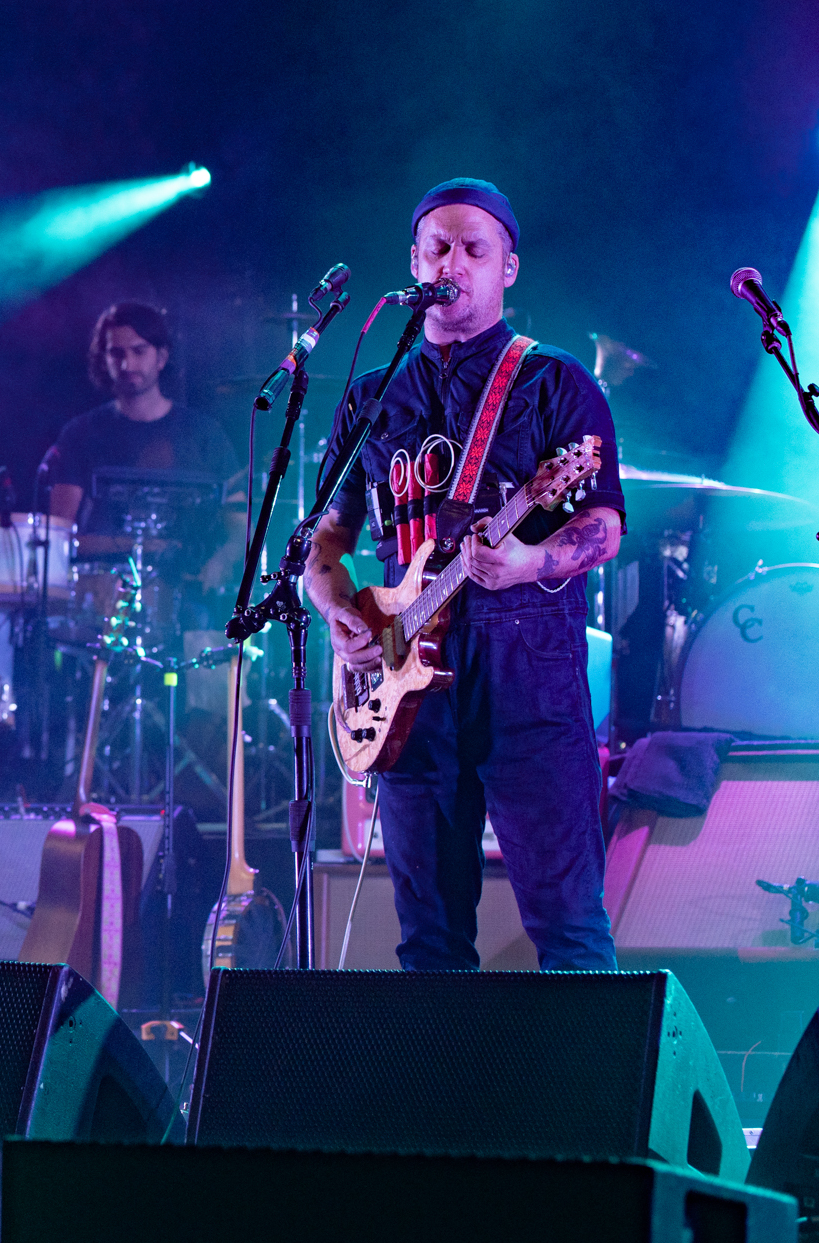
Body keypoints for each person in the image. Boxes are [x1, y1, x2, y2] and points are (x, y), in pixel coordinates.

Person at [303, 179, 623, 971]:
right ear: (414, 262)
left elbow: (604, 526)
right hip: (403, 676)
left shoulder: (555, 382)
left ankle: (588, 1057)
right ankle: (442, 1060)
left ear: (507, 267)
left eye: (474, 250)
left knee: (569, 929)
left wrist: (529, 562)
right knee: (431, 942)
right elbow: (324, 540)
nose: (453, 263)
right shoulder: (373, 397)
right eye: (438, 248)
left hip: (527, 666)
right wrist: (339, 610)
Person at [47, 301, 246, 594]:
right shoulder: (81, 434)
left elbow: (239, 521)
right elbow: (58, 533)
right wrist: (141, 546)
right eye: (116, 353)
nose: (127, 364)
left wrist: (223, 560)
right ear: (104, 359)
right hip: (102, 596)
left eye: (138, 351)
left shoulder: (204, 434)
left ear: (161, 357)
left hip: (188, 595)